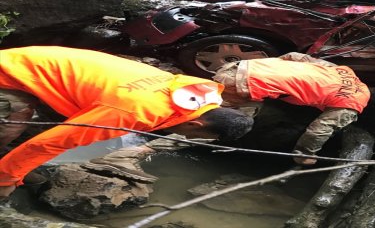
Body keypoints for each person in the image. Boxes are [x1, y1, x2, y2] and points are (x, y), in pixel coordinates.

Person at [0, 46, 254, 198]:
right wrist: (7, 182)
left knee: (33, 128)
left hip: (45, 66)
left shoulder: (199, 94)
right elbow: (48, 145)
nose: (186, 139)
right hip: (12, 72)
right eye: (194, 137)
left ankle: (11, 161)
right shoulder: (133, 112)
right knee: (10, 127)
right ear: (196, 125)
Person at [213, 52, 375, 165]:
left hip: (241, 66)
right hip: (239, 85)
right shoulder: (355, 102)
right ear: (371, 104)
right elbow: (319, 131)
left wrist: (278, 71)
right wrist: (305, 155)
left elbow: (295, 56)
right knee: (235, 124)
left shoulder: (343, 70)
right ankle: (202, 144)